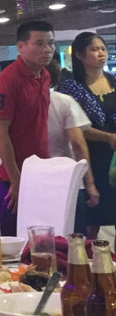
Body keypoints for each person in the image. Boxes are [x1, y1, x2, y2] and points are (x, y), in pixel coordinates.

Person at [0, 20, 55, 236]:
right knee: (13, 240)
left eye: (51, 43)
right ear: (20, 46)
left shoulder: (44, 76)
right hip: (11, 176)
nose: (47, 49)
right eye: (39, 43)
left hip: (38, 170)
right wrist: (16, 179)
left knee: (40, 237)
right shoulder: (8, 80)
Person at [57, 32, 116, 239]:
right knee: (93, 217)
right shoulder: (71, 86)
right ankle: (91, 255)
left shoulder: (113, 80)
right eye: (94, 49)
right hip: (90, 155)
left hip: (114, 155)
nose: (101, 53)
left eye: (103, 49)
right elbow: (75, 127)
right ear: (80, 55)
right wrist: (108, 137)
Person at [46, 53, 99, 232]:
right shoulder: (63, 101)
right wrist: (90, 183)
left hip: (35, 179)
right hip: (67, 177)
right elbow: (78, 144)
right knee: (74, 236)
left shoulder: (21, 104)